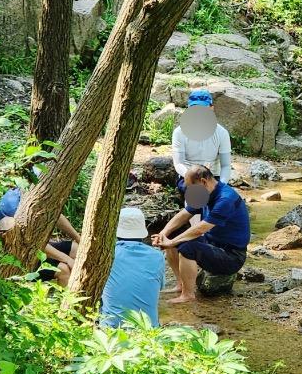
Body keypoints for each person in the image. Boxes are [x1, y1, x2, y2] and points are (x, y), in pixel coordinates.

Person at [152, 165, 250, 304]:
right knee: (175, 235)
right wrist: (164, 234)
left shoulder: (225, 199)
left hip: (232, 256)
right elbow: (185, 214)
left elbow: (201, 229)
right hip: (212, 243)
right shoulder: (204, 192)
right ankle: (180, 285)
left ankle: (188, 295)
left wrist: (172, 242)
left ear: (203, 182)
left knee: (187, 248)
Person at [0, 186, 81, 287]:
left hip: (32, 245)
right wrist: (67, 260)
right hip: (15, 255)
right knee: (63, 270)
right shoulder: (17, 210)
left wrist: (78, 238)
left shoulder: (32, 196)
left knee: (76, 249)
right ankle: (71, 301)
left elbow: (56, 215)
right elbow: (33, 243)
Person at [99, 206, 166, 328]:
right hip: (148, 330)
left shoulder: (107, 254)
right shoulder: (157, 256)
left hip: (112, 331)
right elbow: (159, 287)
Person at [171, 89, 232, 194]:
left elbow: (226, 165)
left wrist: (220, 186)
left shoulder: (222, 133)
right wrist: (193, 177)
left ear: (211, 109)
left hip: (213, 176)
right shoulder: (179, 132)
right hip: (188, 176)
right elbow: (178, 163)